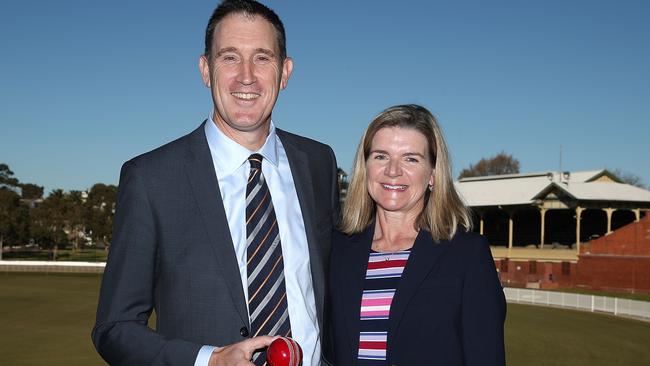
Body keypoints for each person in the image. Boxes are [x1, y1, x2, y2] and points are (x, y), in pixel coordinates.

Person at [92, 1, 340, 365]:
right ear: (205, 70)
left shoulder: (318, 163)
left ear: (285, 72)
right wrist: (208, 360)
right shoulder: (150, 179)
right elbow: (114, 328)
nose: (246, 76)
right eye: (229, 58)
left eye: (262, 58)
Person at [328, 105, 505, 365]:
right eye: (380, 156)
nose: (393, 170)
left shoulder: (467, 255)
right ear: (365, 167)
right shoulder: (337, 249)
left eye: (411, 158)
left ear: (433, 174)